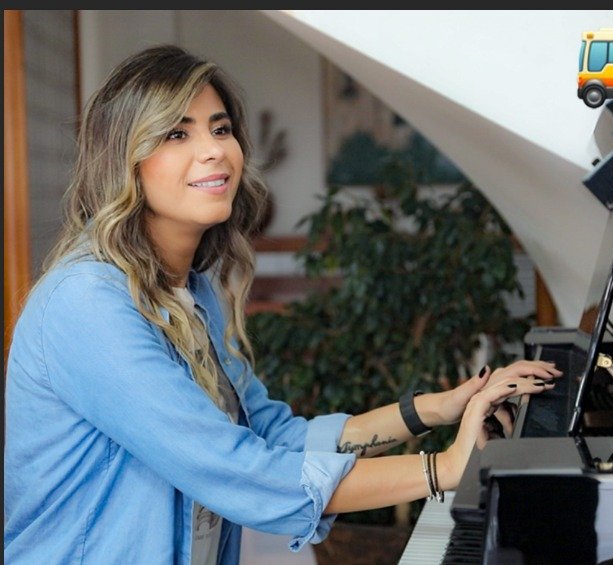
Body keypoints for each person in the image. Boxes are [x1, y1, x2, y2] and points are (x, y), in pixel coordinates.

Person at [3, 44, 561, 564]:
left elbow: (273, 436)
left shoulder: (192, 291)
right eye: (176, 133)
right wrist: (443, 468)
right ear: (122, 161)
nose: (213, 150)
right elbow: (238, 469)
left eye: (220, 128)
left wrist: (436, 410)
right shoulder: (87, 305)